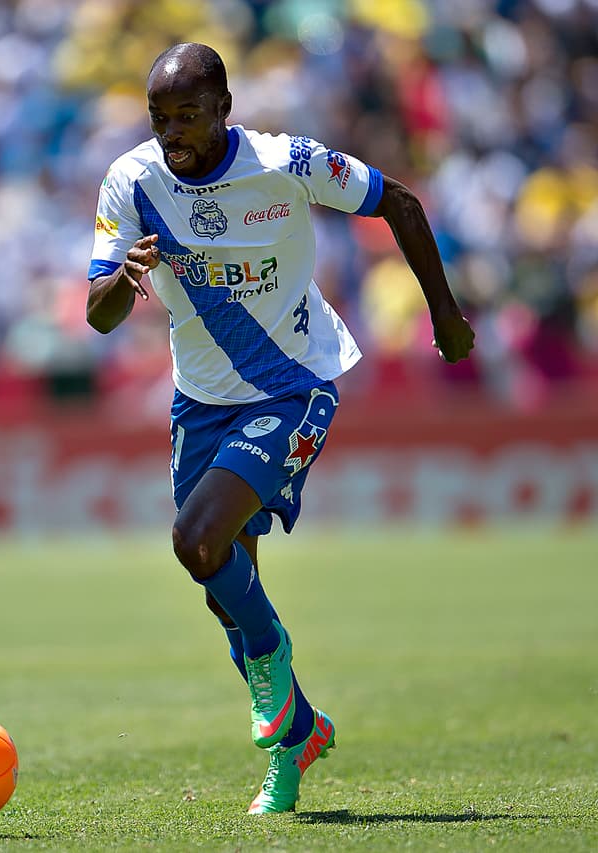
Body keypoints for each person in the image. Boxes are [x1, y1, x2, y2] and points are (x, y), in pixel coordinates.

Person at [86, 43, 474, 814]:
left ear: (225, 109)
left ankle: (274, 659)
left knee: (197, 542)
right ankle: (296, 738)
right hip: (200, 399)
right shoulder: (132, 181)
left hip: (291, 385)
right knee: (223, 589)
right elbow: (98, 315)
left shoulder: (284, 162)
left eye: (189, 116)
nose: (174, 133)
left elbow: (399, 200)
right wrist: (122, 282)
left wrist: (445, 311)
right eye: (160, 119)